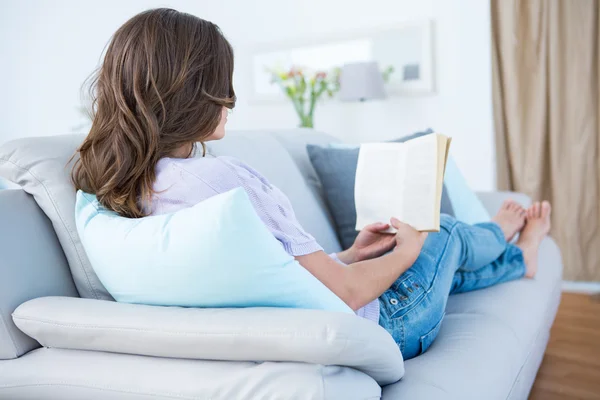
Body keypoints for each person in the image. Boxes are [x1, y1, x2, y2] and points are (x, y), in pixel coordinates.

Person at [71, 8, 552, 360]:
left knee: (437, 261)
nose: (231, 101)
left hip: (316, 309)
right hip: (394, 325)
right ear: (192, 92)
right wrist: (408, 249)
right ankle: (503, 239)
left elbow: (264, 271)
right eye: (222, 84)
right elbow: (344, 295)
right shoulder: (221, 178)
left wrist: (349, 255)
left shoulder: (121, 188)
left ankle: (516, 260)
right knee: (442, 231)